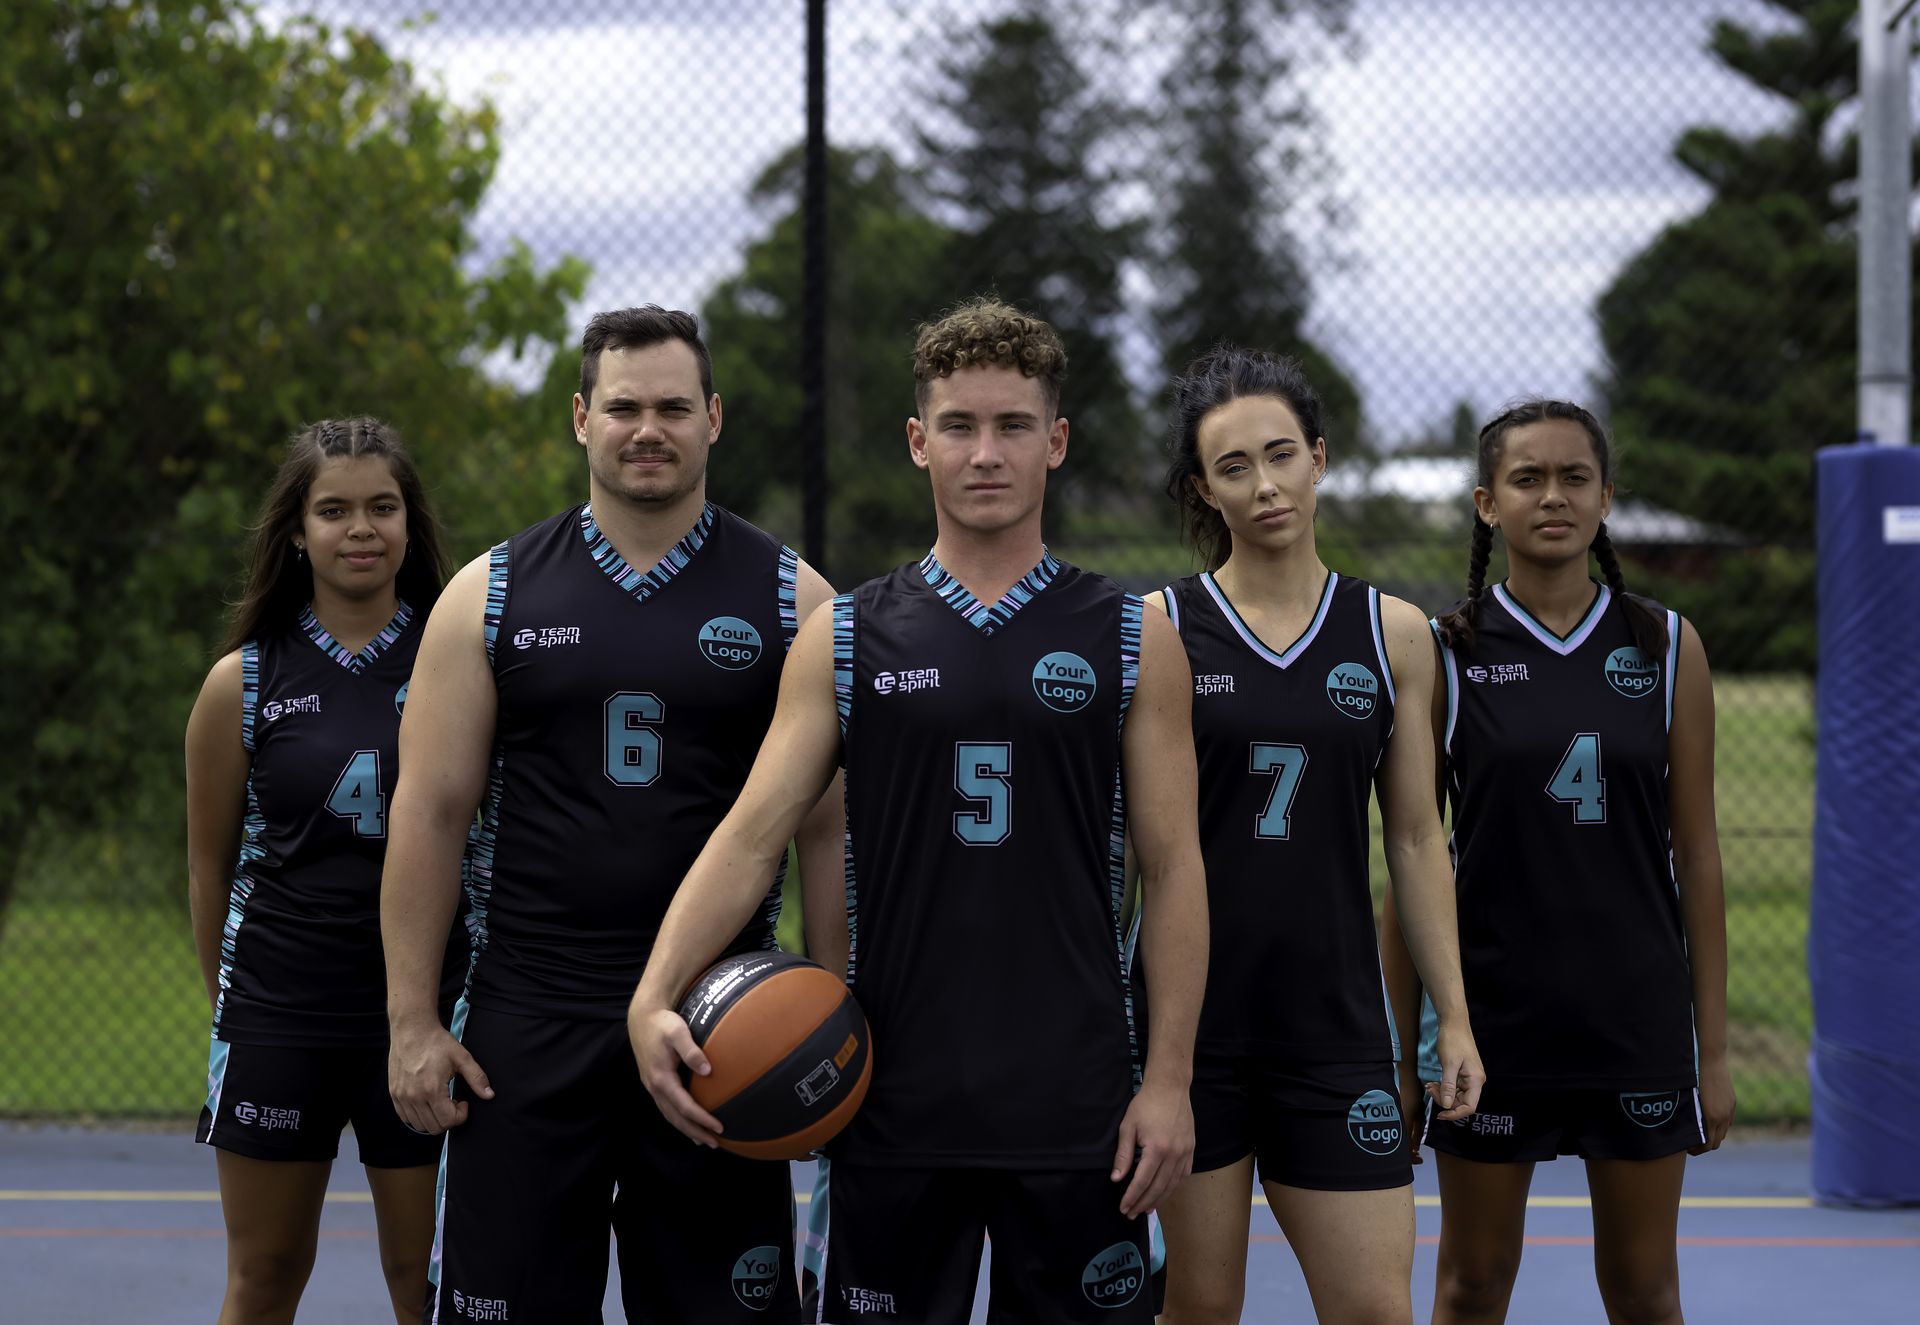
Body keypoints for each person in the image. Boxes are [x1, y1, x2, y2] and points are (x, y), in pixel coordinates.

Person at [629, 297, 1208, 1324]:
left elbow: (1172, 871)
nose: (985, 452)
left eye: (1013, 425)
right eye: (959, 425)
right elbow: (752, 835)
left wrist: (1168, 1081)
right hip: (888, 1096)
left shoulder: (1132, 635)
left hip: (1078, 1100)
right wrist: (653, 994)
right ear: (917, 440)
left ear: (1055, 441)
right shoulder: (846, 635)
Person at [380, 306, 842, 1323]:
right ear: (581, 417)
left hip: (719, 1023)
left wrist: (836, 1007)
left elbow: (826, 831)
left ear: (713, 418)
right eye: (624, 407)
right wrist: (411, 1020)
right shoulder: (489, 595)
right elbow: (429, 814)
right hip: (526, 1023)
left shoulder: (796, 602)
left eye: (673, 407)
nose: (648, 429)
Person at [1145, 346, 1484, 1325]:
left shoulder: (1394, 633)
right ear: (1203, 489)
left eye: (1281, 453)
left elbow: (1415, 839)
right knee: (1200, 1308)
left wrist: (1453, 1017)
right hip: (1189, 1029)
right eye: (1234, 466)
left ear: (1320, 457)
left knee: (1376, 1309)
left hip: (1333, 1026)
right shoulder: (1159, 628)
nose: (1264, 484)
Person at [1387, 399, 1734, 1325]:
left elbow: (1699, 855)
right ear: (1487, 503)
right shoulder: (1446, 651)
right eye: (1527, 478)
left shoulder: (1665, 646)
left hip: (1635, 1022)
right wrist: (1402, 1051)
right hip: (1493, 1027)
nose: (1553, 496)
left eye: (1575, 477)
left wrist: (1712, 1050)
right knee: (1470, 1285)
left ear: (1606, 497)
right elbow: (1412, 858)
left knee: (1646, 1291)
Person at [185, 417, 463, 1324]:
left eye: (383, 507)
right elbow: (208, 865)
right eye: (334, 510)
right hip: (281, 1012)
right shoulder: (243, 682)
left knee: (426, 1281)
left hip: (424, 1016)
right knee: (264, 1276)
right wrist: (234, 1006)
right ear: (297, 532)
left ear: (410, 524)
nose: (361, 529)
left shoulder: (462, 664)